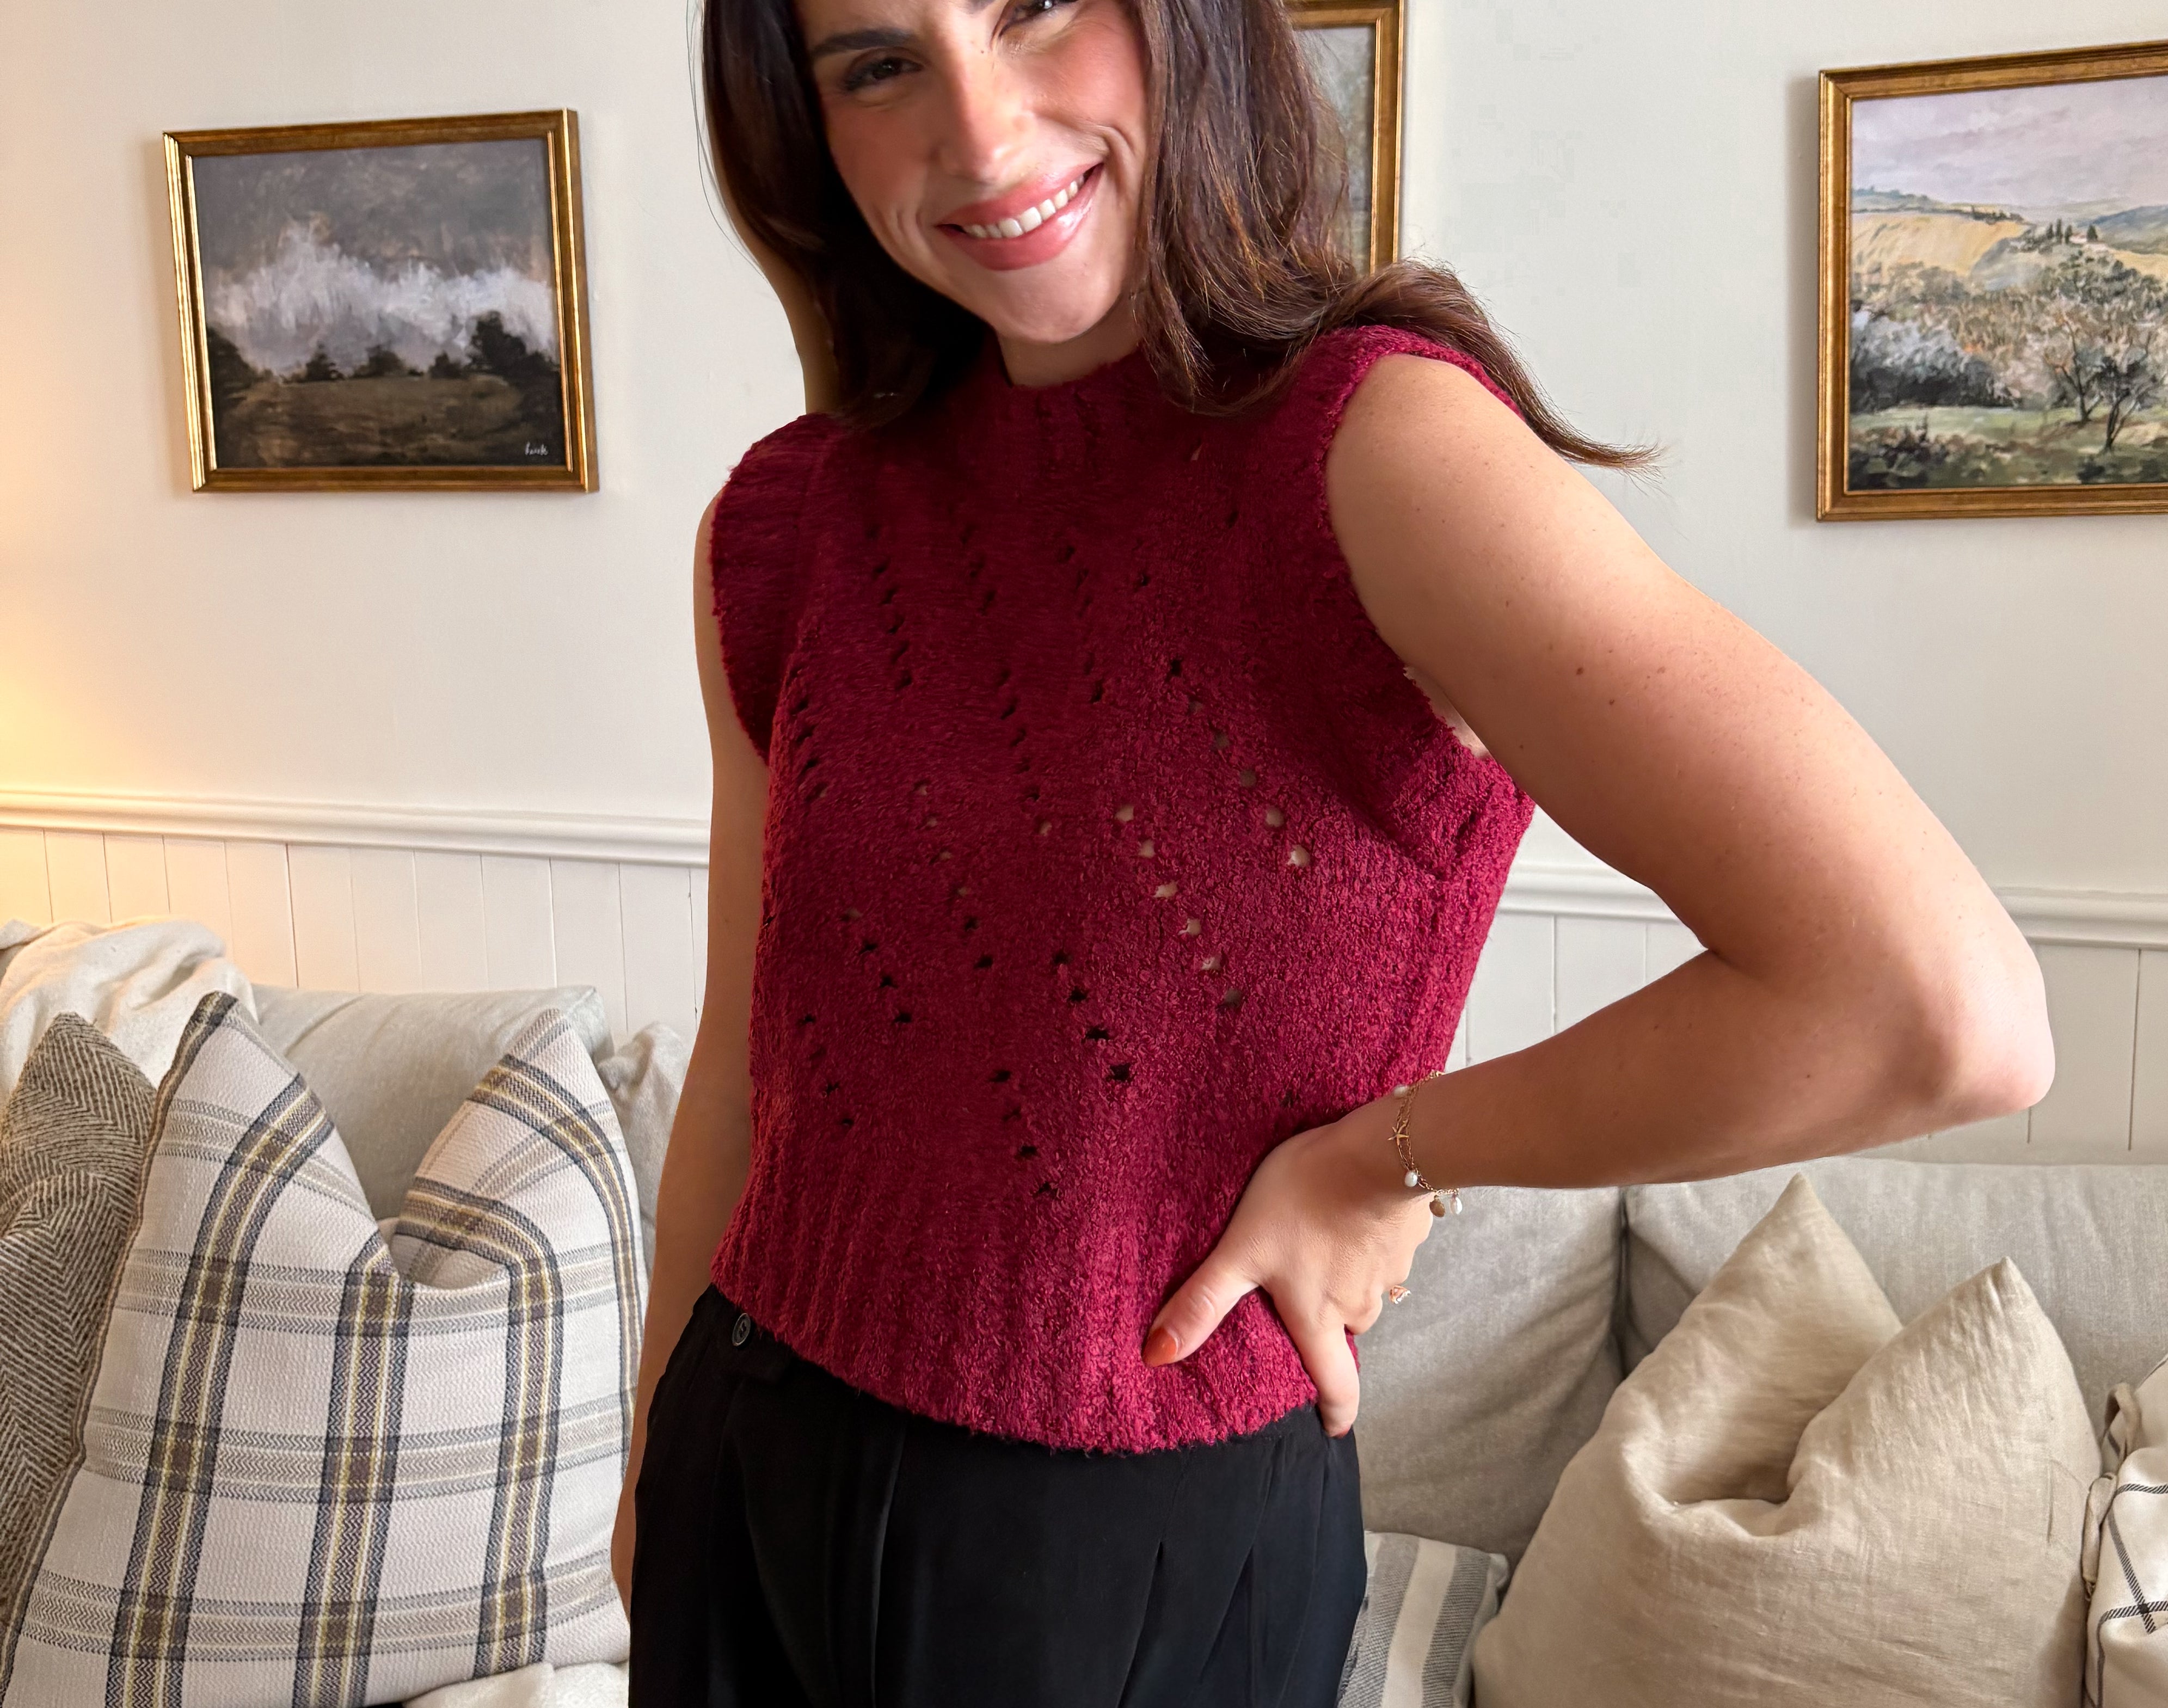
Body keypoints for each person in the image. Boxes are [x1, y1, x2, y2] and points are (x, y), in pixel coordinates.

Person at [615, 0, 2055, 1700]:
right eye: (878, 65)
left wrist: (1389, 1157)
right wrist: (651, 1461)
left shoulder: (1381, 449)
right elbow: (746, 1066)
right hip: (742, 1441)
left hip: (1119, 1548)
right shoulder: (788, 523)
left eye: (1037, 7)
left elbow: (1933, 1006)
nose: (981, 131)